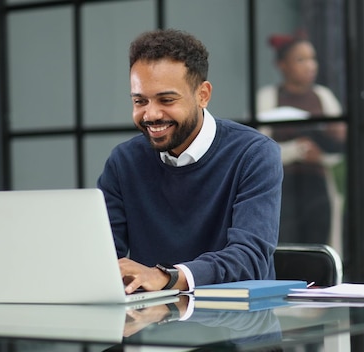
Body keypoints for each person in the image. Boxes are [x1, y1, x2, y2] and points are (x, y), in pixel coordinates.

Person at [97, 29, 283, 294]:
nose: (151, 114)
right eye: (140, 101)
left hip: (238, 325)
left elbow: (250, 259)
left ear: (203, 95)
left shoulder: (254, 154)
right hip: (152, 324)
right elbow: (102, 259)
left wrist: (168, 277)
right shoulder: (123, 161)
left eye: (166, 100)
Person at [256, 32, 345, 249]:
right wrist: (298, 150)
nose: (310, 66)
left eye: (312, 59)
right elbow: (257, 148)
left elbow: (341, 144)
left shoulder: (324, 97)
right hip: (281, 188)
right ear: (281, 65)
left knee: (318, 249)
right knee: (285, 248)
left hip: (317, 190)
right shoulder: (268, 97)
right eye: (301, 59)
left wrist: (321, 156)